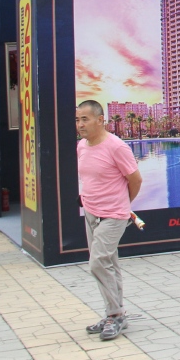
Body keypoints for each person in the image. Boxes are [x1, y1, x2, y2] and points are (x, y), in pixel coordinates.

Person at [75, 100, 143, 341]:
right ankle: (114, 314)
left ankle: (115, 314)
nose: (80, 124)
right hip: (91, 213)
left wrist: (123, 205)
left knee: (97, 263)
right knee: (109, 264)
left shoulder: (116, 147)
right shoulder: (82, 146)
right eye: (77, 120)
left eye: (85, 119)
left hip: (114, 215)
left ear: (100, 120)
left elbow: (136, 180)